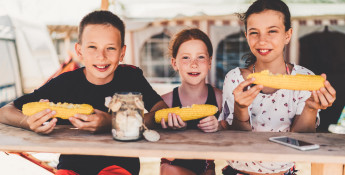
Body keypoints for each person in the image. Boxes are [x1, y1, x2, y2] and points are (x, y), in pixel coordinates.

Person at [0, 10, 167, 175]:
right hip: (72, 167)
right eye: (92, 47)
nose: (101, 56)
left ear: (122, 52)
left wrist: (114, 122)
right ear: (79, 51)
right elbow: (4, 112)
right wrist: (27, 122)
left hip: (120, 165)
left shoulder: (131, 77)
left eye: (110, 48)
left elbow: (161, 111)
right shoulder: (64, 83)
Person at [219, 0, 336, 174]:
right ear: (246, 36)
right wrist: (241, 108)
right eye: (254, 32)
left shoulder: (305, 78)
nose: (262, 40)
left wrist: (310, 108)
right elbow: (237, 140)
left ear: (287, 35)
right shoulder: (235, 79)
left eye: (272, 31)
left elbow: (300, 141)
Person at [159, 28, 222, 175]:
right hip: (172, 166)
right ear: (174, 63)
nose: (194, 64)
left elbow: (235, 131)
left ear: (210, 62)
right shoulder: (165, 102)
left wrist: (219, 126)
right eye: (186, 58)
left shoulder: (220, 98)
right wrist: (169, 133)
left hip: (206, 167)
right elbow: (155, 143)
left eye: (200, 57)